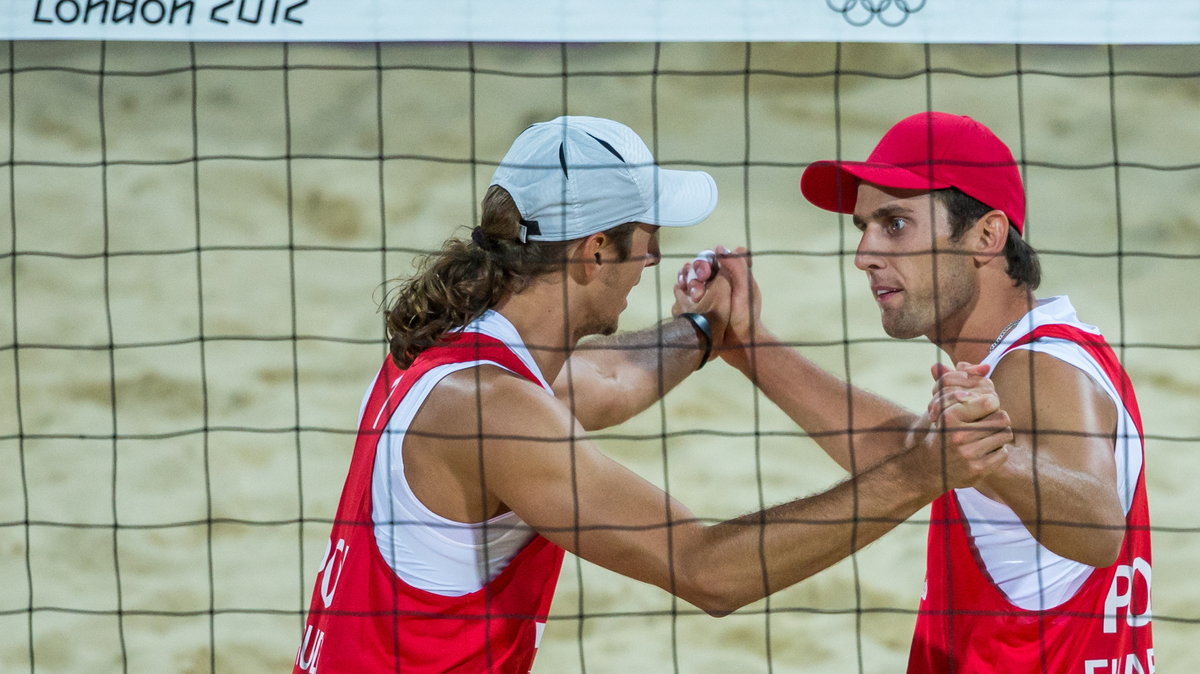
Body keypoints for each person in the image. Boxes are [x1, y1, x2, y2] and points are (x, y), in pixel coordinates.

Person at [293, 115, 1012, 674]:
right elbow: (708, 571)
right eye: (646, 235)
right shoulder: (491, 411)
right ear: (593, 251)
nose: (656, 255)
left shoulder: (455, 351)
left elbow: (602, 382)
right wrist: (920, 472)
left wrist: (706, 330)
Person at [683, 111, 1153, 673]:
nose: (864, 255)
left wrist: (995, 458)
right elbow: (916, 458)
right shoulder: (1037, 352)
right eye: (864, 228)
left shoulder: (1038, 366)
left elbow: (1098, 527)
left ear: (986, 235)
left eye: (896, 224)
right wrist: (748, 346)